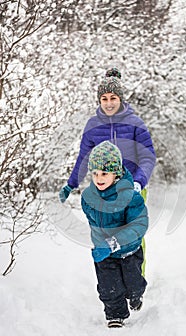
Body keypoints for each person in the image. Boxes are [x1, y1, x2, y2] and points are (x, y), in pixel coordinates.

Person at [59, 67, 156, 275]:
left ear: (120, 98)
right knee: (108, 232)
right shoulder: (93, 125)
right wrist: (71, 183)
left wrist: (139, 181)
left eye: (113, 97)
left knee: (134, 233)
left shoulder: (135, 123)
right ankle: (113, 281)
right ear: (99, 100)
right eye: (104, 98)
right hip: (104, 189)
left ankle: (137, 279)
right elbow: (84, 158)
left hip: (133, 187)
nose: (109, 102)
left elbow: (148, 157)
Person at [81, 141, 148, 328]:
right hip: (105, 253)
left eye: (104, 173)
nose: (98, 178)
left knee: (133, 286)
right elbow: (93, 224)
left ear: (116, 174)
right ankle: (115, 315)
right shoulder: (88, 198)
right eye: (94, 173)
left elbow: (139, 225)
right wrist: (100, 244)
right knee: (108, 288)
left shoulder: (131, 197)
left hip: (129, 251)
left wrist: (114, 242)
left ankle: (136, 296)